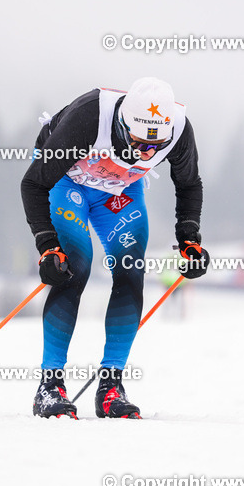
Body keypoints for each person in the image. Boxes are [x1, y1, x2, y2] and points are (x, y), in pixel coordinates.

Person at [20, 78, 209, 419]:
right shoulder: (89, 118)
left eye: (156, 146)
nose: (147, 153)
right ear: (122, 124)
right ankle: (49, 386)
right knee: (74, 264)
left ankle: (111, 387)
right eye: (139, 143)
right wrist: (47, 246)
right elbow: (33, 184)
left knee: (131, 270)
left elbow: (188, 183)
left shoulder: (179, 129)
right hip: (67, 182)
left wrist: (189, 241)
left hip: (120, 189)